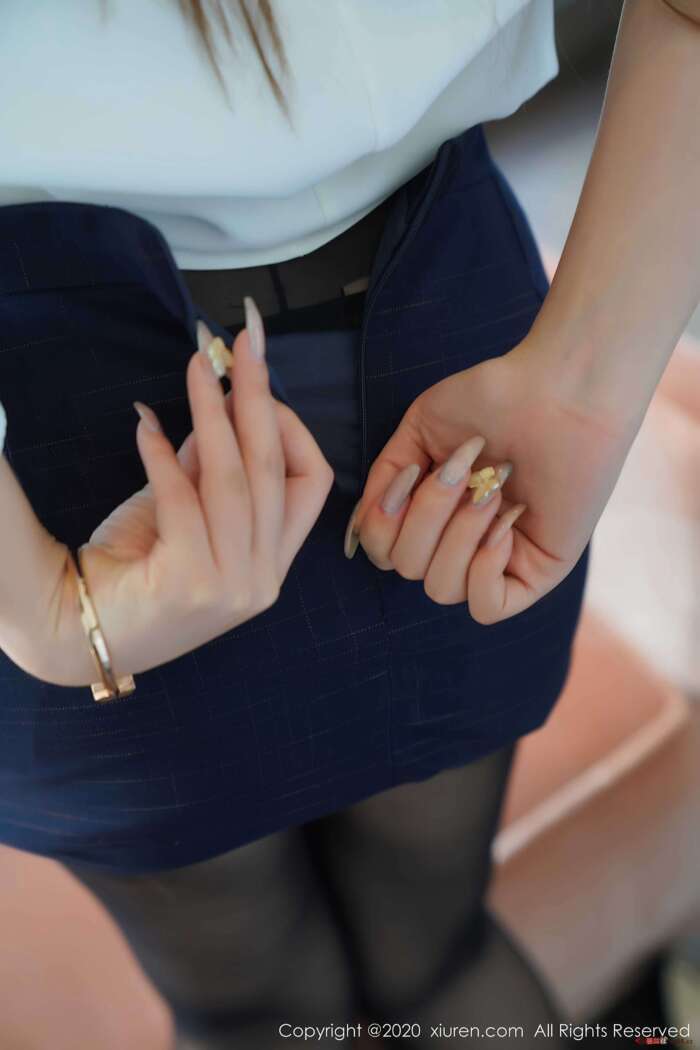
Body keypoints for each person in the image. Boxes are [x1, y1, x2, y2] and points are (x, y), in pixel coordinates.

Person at [0, 0, 698, 1047]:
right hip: (436, 356)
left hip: (434, 385)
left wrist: (586, 384)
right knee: (436, 954)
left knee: (261, 1006)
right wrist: (43, 612)